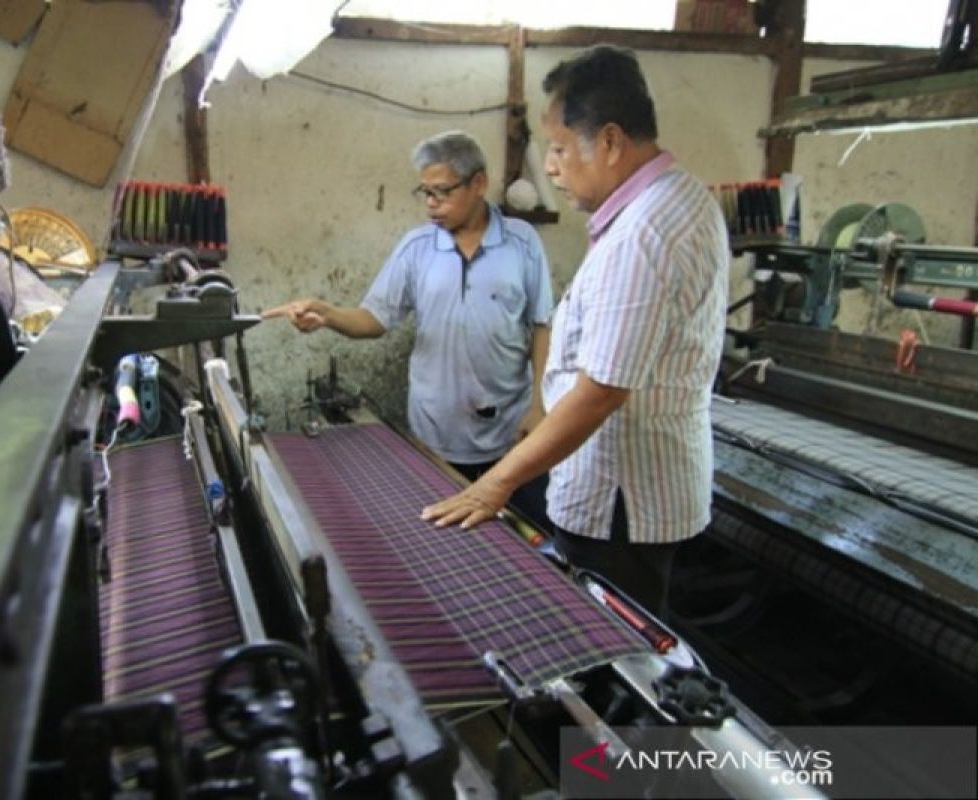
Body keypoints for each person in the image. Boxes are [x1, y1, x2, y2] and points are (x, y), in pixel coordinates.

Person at [422, 47, 729, 619]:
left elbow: (601, 391)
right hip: (641, 488)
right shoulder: (683, 198)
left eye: (561, 149)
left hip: (621, 501)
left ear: (610, 142)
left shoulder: (645, 232)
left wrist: (494, 485)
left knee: (617, 655)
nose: (553, 167)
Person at [263, 130, 553, 529]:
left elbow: (541, 325)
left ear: (479, 184)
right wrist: (328, 314)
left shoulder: (523, 244)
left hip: (509, 433)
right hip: (434, 431)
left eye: (442, 192)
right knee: (441, 536)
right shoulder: (416, 247)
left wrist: (539, 407)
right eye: (425, 193)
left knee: (518, 542)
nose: (431, 205)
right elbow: (375, 319)